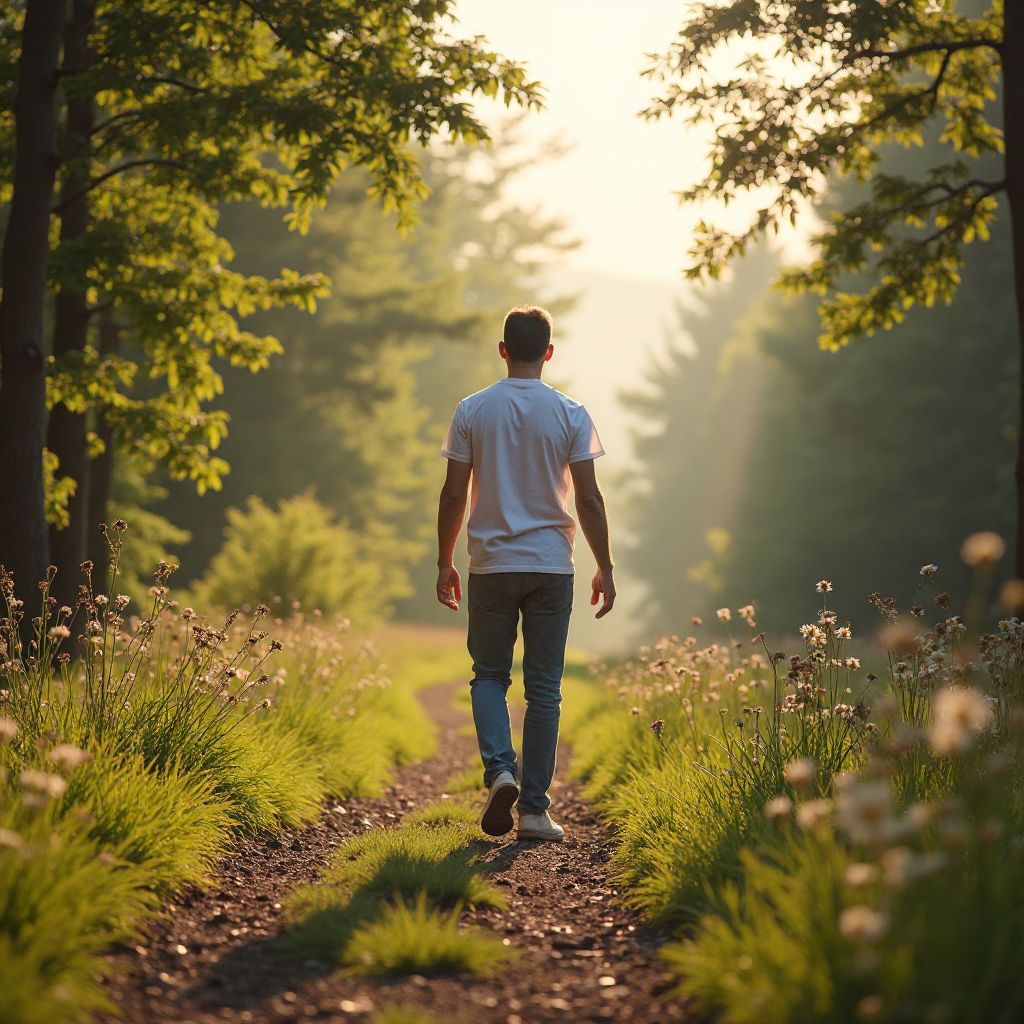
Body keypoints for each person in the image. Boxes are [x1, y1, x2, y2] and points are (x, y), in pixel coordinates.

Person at [435, 305, 615, 841]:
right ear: (549, 352)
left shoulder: (471, 410)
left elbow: (453, 494)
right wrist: (605, 566)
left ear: (503, 350)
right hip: (551, 568)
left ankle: (501, 771)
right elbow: (589, 499)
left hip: (491, 565)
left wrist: (445, 561)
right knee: (545, 690)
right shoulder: (571, 413)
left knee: (490, 676)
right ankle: (534, 812)